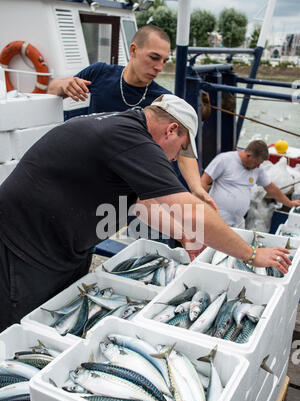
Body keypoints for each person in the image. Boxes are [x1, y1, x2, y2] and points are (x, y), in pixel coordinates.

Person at [0, 95, 290, 331]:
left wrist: (184, 235)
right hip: (26, 246)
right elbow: (192, 211)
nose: (177, 157)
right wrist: (251, 254)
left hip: (66, 248)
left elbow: (143, 203)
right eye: (182, 148)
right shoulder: (133, 139)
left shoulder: (126, 130)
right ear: (172, 130)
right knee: (22, 326)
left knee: (54, 321)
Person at [47, 24, 216, 210]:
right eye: (154, 57)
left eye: (164, 61)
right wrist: (66, 85)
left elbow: (182, 147)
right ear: (133, 50)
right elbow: (52, 89)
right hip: (91, 181)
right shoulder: (99, 74)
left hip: (130, 194)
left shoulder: (163, 101)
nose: (159, 67)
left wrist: (196, 188)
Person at [201, 140, 300, 228]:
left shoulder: (257, 169)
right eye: (257, 163)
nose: (258, 167)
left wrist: (289, 203)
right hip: (216, 220)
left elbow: (271, 188)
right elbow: (203, 181)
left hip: (238, 222)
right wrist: (203, 206)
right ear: (248, 155)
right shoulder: (224, 159)